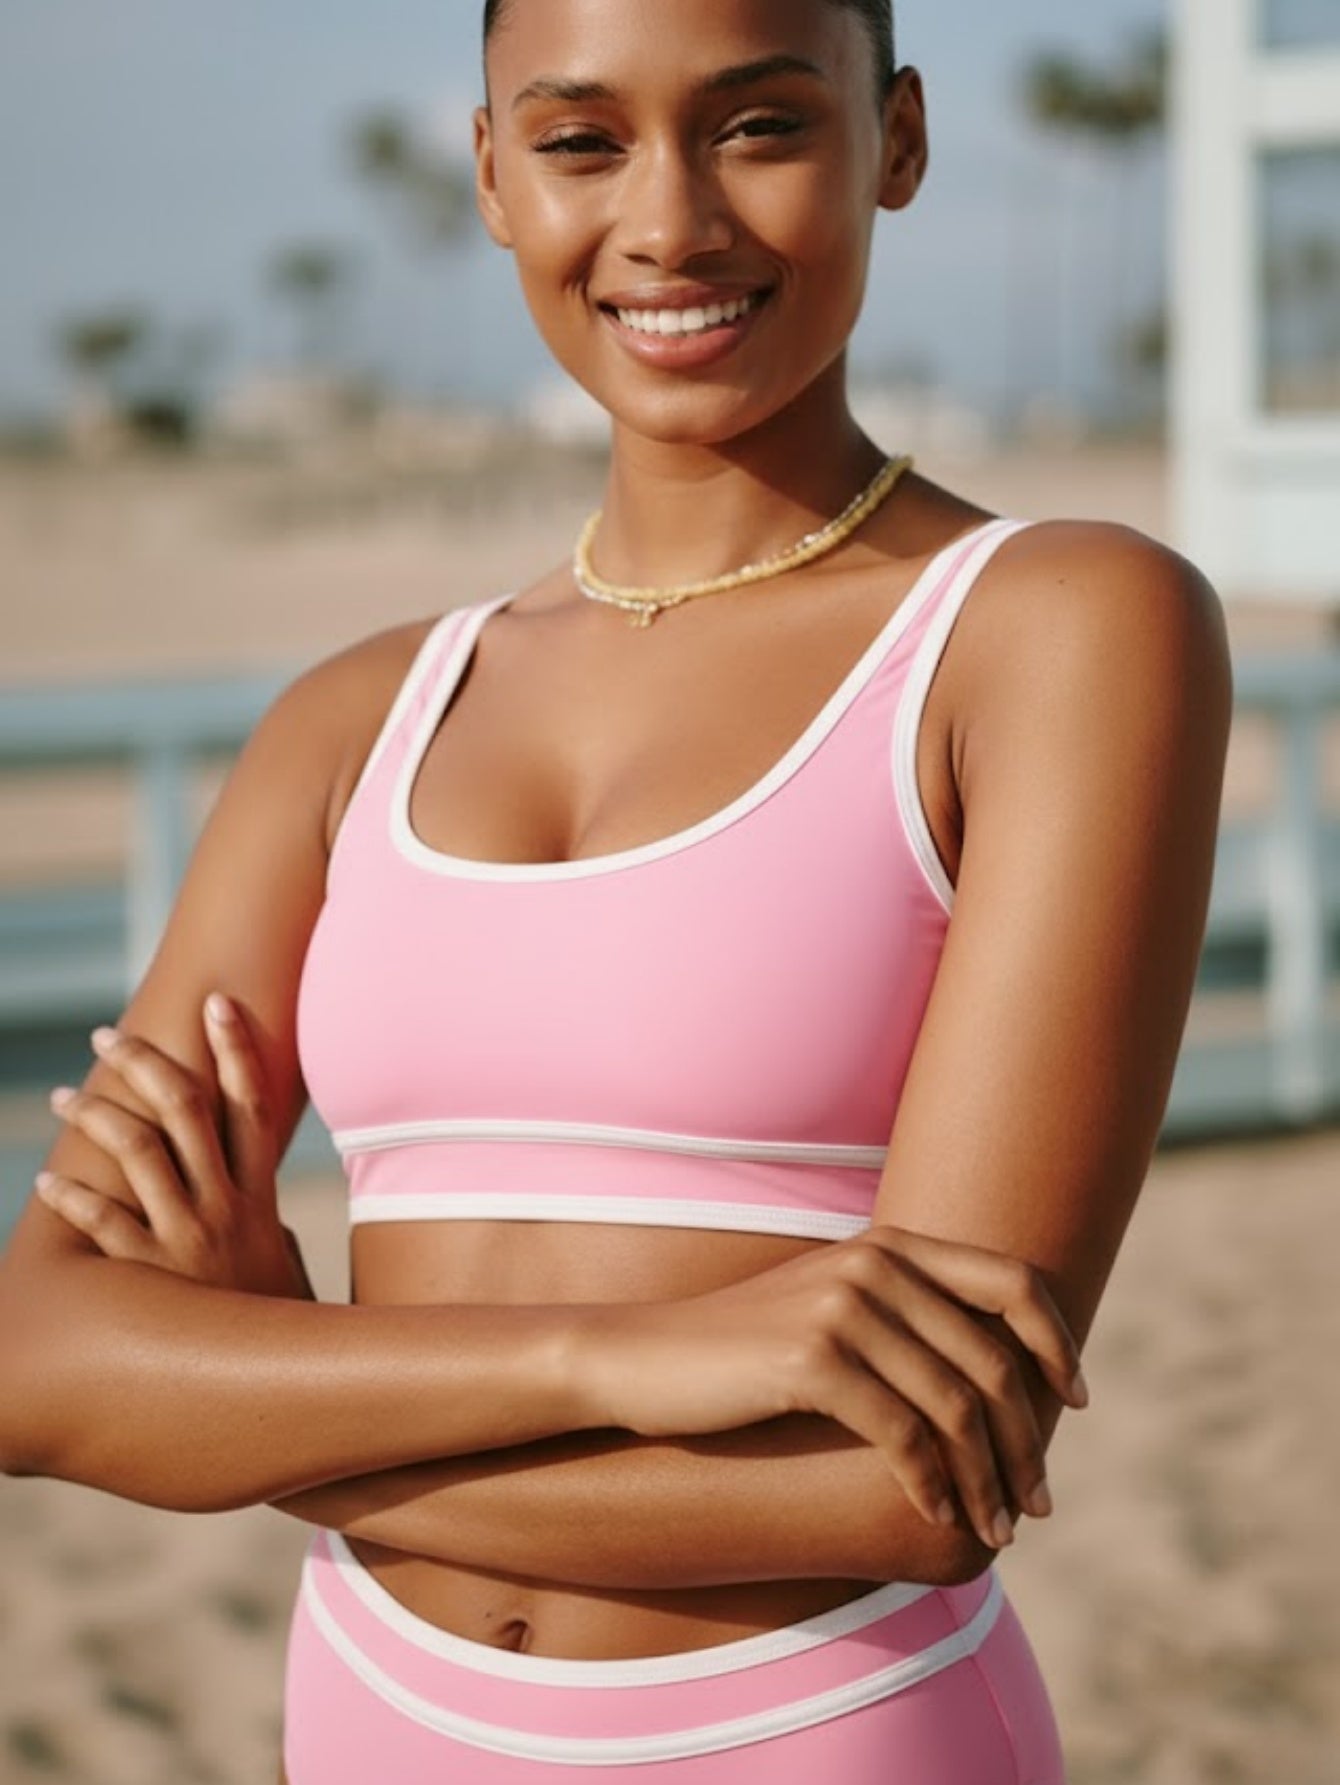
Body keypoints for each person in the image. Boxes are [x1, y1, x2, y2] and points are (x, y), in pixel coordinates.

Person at [0, 1, 1232, 1779]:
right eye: (581, 144)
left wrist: (252, 1387)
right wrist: (622, 1358)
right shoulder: (356, 721)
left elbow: (910, 1481)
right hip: (366, 1722)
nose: (670, 225)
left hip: (819, 1727)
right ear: (493, 174)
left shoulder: (1053, 632)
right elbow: (41, 1358)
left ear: (894, 140)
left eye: (757, 129)